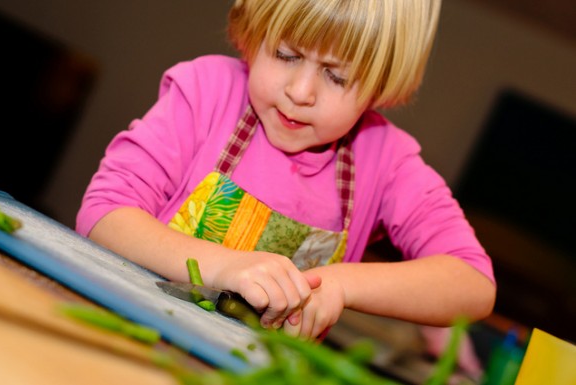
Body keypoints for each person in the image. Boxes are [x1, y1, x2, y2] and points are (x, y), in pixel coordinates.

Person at [76, 0, 496, 340]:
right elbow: (104, 215)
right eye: (286, 54)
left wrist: (341, 284)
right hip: (123, 336)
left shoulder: (385, 160)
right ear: (253, 35)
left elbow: (473, 283)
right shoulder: (206, 92)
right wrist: (225, 267)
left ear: (379, 85)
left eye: (336, 76)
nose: (300, 92)